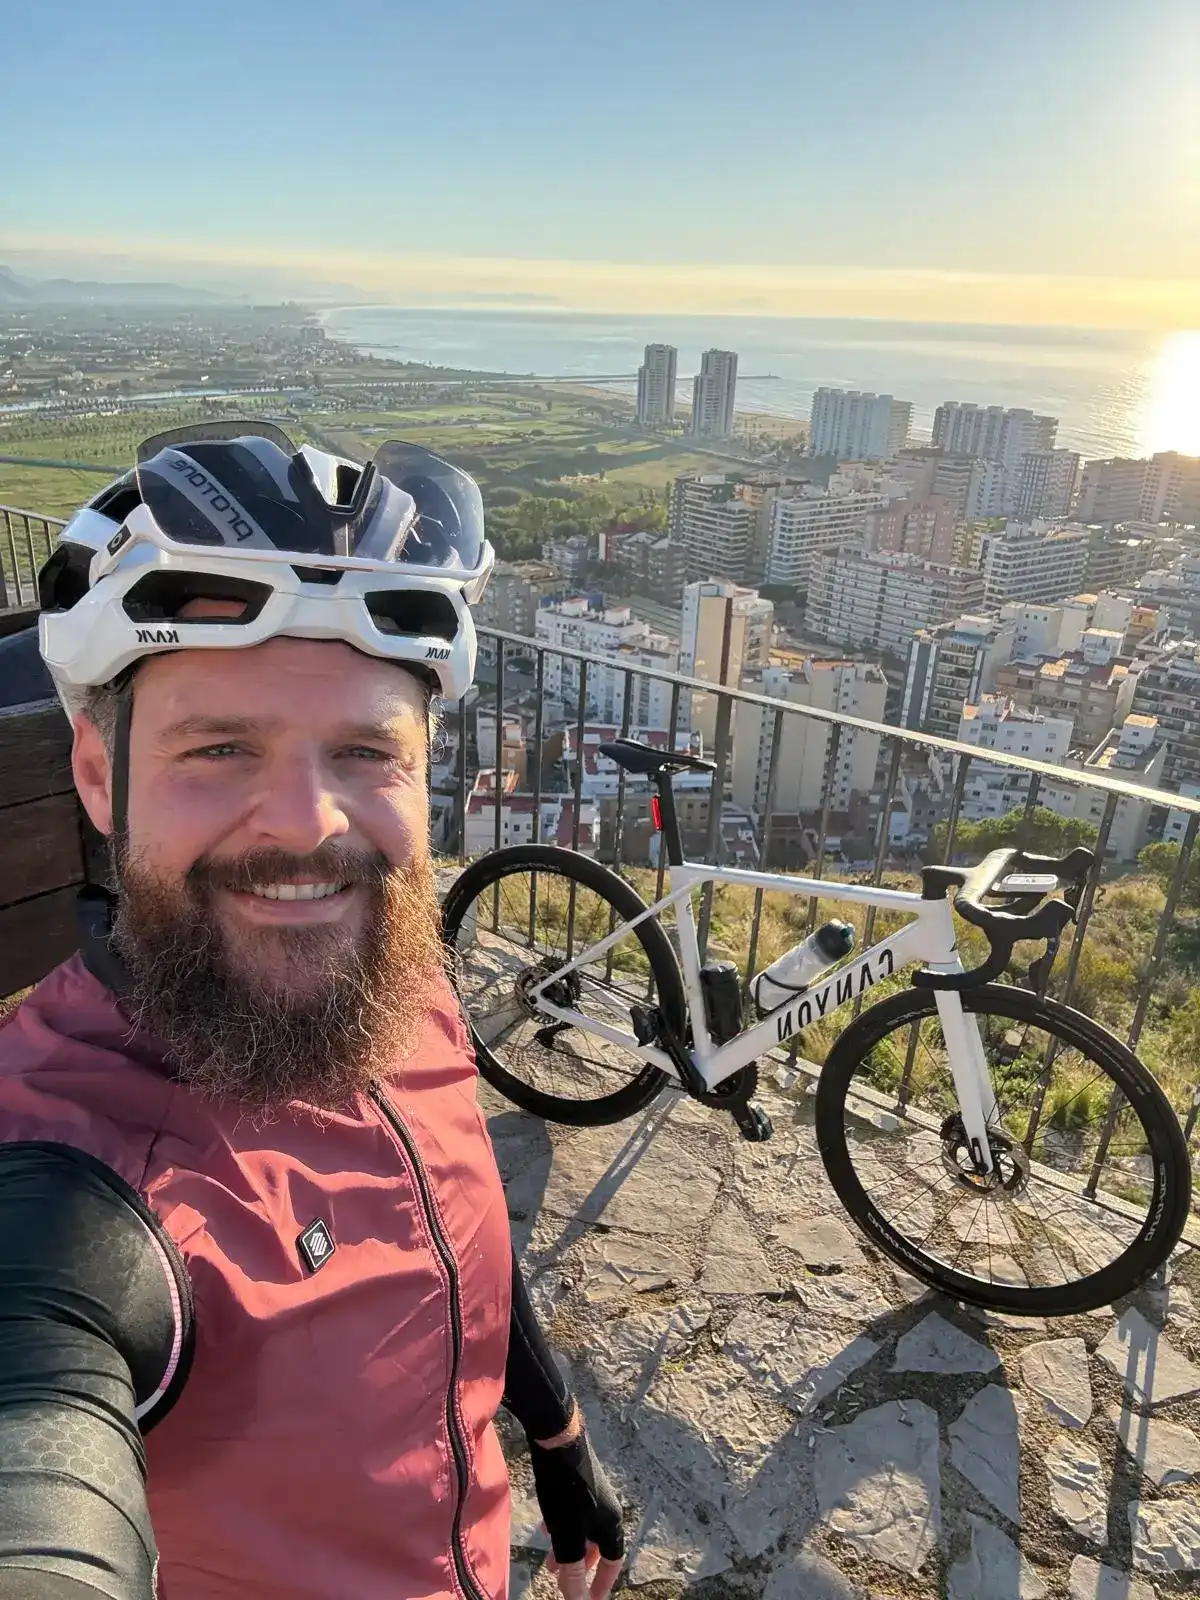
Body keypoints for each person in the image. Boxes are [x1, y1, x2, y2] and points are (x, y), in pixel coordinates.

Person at [0, 423, 625, 1600]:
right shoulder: (66, 1180)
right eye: (221, 747)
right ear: (97, 772)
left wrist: (556, 1436)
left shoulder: (396, 978)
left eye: (363, 750)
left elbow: (460, 1214)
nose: (310, 824)